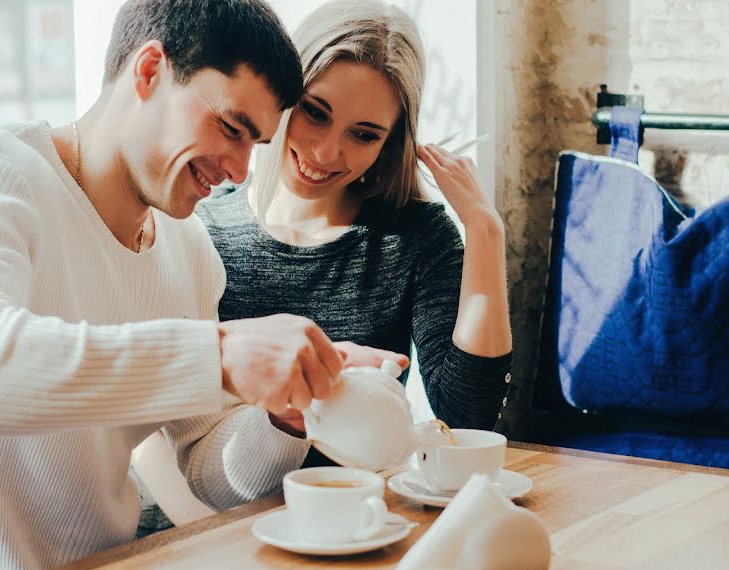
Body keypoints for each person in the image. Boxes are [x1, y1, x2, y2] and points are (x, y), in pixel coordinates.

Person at [0, 0, 395, 570]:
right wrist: (219, 353)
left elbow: (209, 469)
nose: (238, 170)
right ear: (149, 70)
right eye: (231, 128)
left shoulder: (189, 251)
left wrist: (285, 412)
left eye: (255, 142)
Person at [135, 0, 513, 532]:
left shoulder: (412, 237)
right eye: (315, 111)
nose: (326, 151)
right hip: (197, 528)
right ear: (283, 97)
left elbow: (466, 419)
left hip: (350, 531)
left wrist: (485, 233)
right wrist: (205, 537)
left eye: (364, 134)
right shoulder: (195, 226)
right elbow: (147, 425)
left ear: (390, 143)